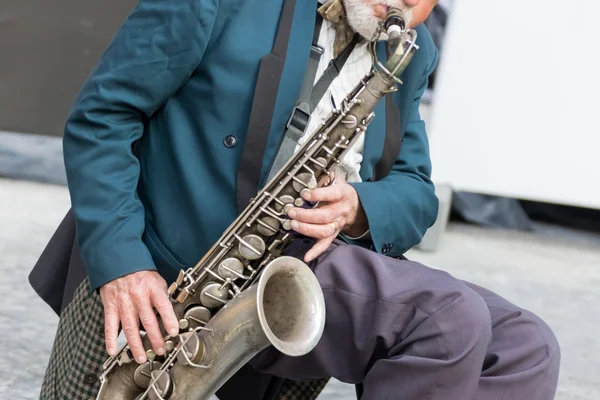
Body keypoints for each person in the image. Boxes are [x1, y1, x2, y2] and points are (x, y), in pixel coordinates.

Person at [30, 0, 561, 399]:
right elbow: (104, 117)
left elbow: (416, 188)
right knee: (449, 316)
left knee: (525, 342)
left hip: (308, 265)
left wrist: (358, 207)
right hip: (180, 258)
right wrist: (123, 264)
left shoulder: (407, 54)